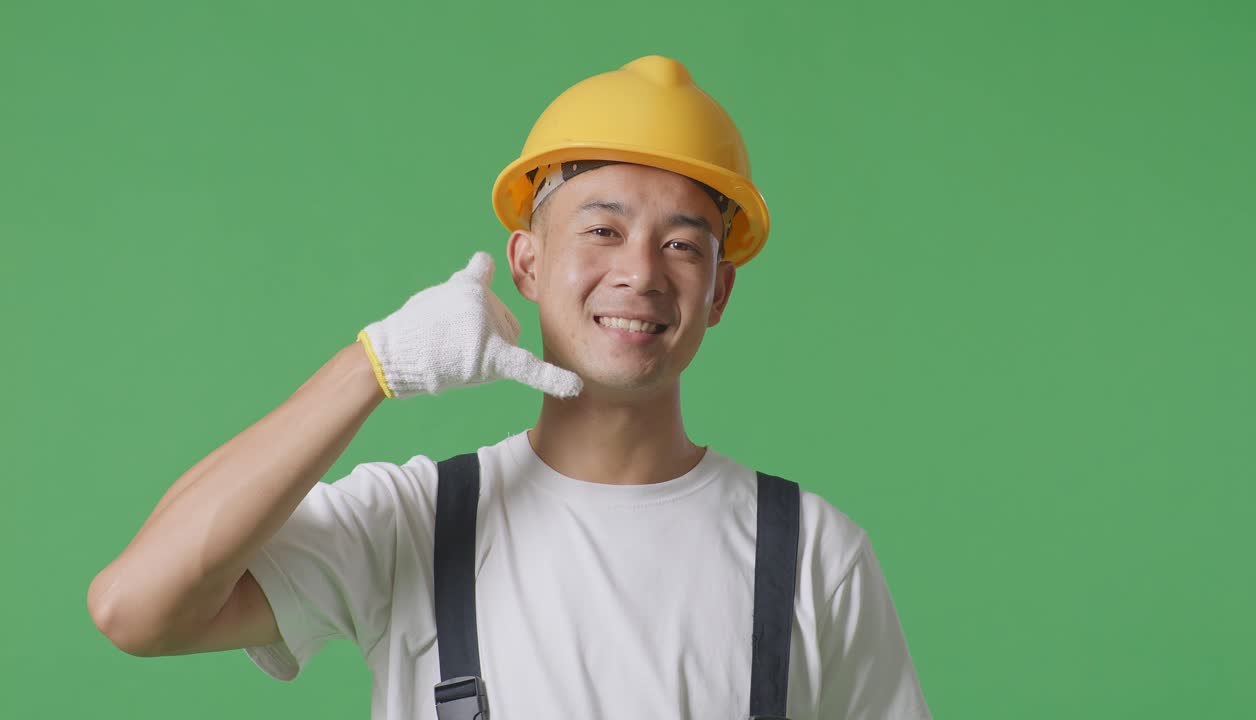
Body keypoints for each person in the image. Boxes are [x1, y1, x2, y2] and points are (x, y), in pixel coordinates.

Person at [88, 55, 932, 719]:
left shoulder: (813, 554)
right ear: (526, 263)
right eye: (602, 230)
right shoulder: (415, 524)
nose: (640, 273)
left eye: (682, 244)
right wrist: (372, 367)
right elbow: (134, 607)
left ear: (719, 291)